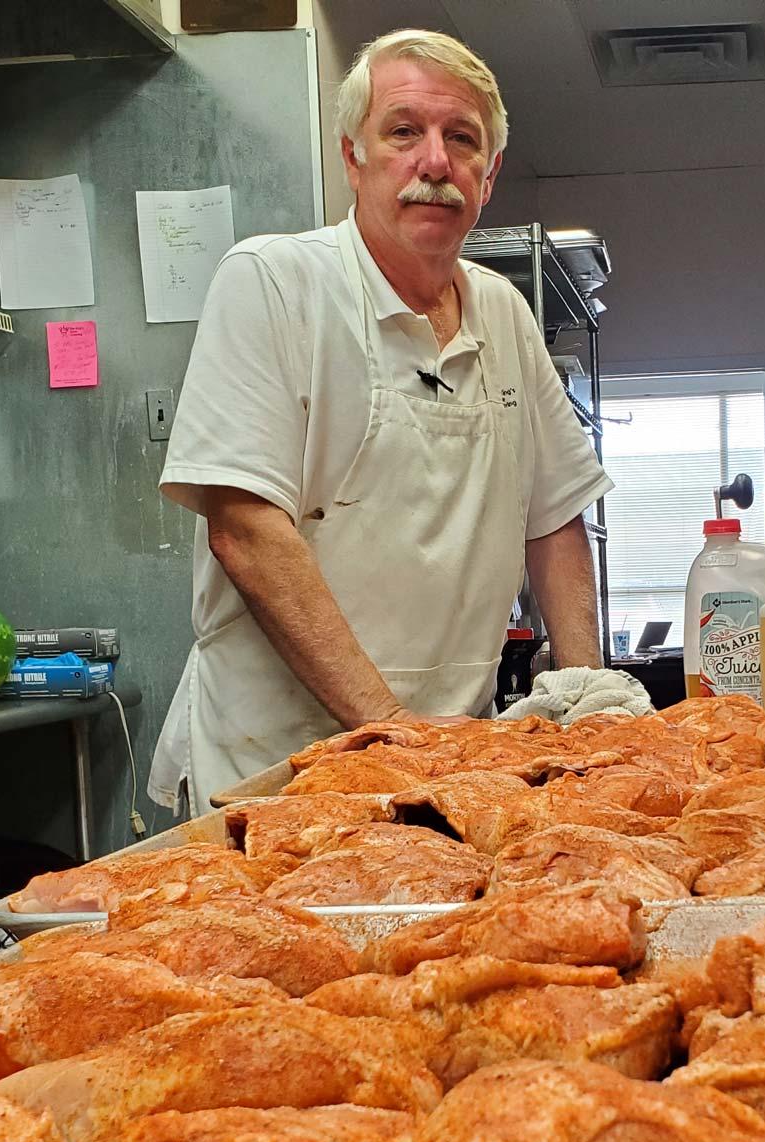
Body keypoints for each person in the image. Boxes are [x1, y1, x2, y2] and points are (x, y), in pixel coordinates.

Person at [148, 29, 610, 812]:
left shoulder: (503, 311)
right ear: (352, 157)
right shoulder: (273, 283)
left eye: (460, 139)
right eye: (404, 131)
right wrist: (392, 733)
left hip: (451, 758)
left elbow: (556, 517)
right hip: (280, 766)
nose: (434, 162)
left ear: (488, 176)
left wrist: (587, 700)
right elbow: (247, 530)